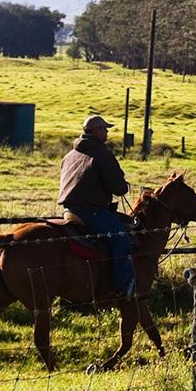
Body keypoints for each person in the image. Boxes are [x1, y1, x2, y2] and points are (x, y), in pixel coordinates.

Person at [58, 114, 135, 297]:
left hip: (69, 209)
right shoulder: (102, 154)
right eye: (104, 129)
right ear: (96, 131)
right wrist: (123, 185)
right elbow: (118, 188)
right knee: (121, 239)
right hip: (90, 210)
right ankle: (122, 288)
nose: (107, 132)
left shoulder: (70, 155)